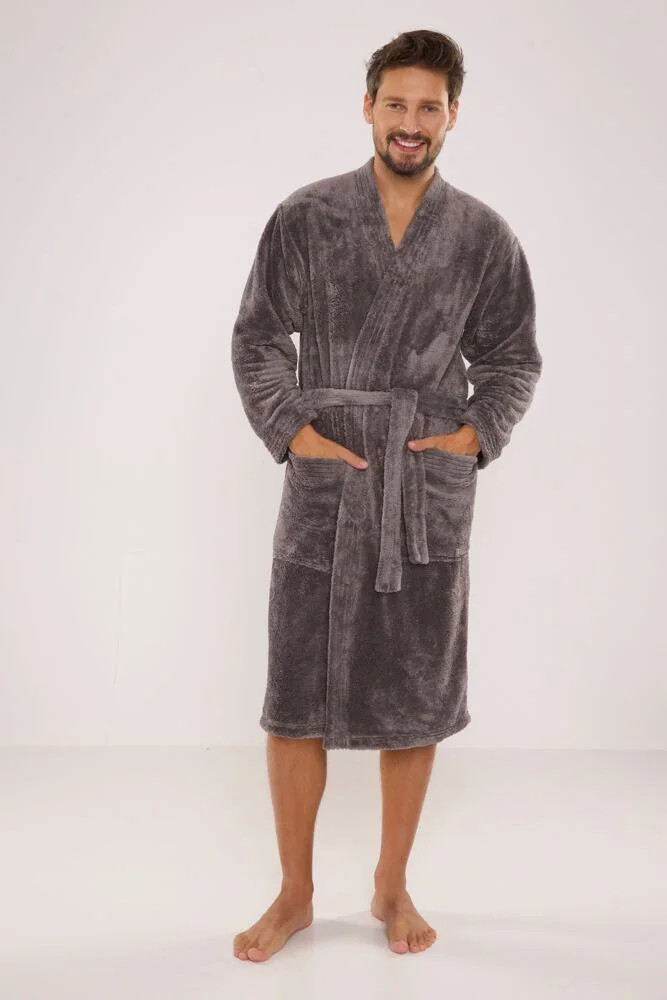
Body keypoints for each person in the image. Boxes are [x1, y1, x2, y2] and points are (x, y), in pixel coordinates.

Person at [230, 28, 542, 960]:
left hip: (422, 486)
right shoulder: (307, 216)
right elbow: (257, 338)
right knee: (295, 693)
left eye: (428, 107)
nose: (411, 122)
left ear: (452, 116)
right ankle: (293, 894)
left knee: (415, 693)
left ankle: (390, 885)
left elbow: (513, 358)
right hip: (327, 482)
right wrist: (294, 432)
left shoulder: (482, 235)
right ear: (367, 106)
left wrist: (472, 436)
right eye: (395, 104)